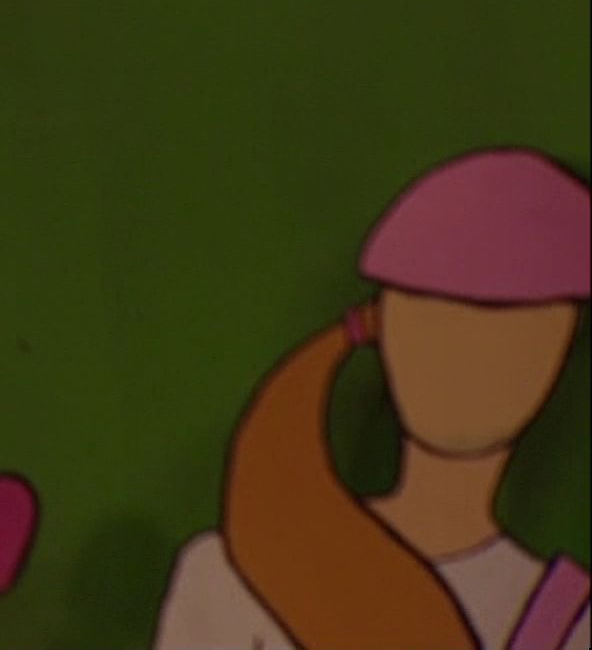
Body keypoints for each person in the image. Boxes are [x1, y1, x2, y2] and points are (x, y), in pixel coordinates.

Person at [155, 148, 591, 650]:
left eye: (510, 336)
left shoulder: (568, 621)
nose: (464, 361)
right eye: (434, 321)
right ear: (383, 326)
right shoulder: (230, 576)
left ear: (562, 349)